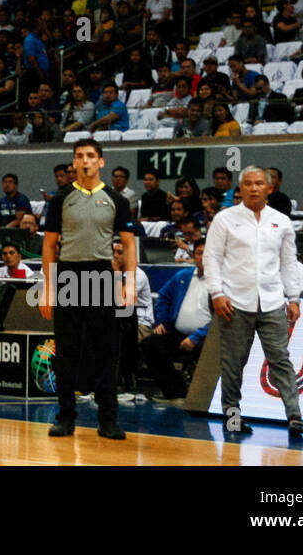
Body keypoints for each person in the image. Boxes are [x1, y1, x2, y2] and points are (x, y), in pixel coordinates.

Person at [41, 138, 136, 440]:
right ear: (74, 162)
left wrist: (129, 283)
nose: (85, 161)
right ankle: (65, 417)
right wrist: (47, 287)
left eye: (91, 156)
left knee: (105, 350)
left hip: (100, 273)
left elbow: (129, 243)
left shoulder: (116, 200)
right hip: (68, 273)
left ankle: (107, 419)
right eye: (80, 156)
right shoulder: (61, 199)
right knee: (67, 350)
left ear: (101, 162)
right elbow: (49, 245)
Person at [204, 166, 303, 438]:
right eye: (248, 183)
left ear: (269, 188)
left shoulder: (282, 221)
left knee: (280, 359)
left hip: (272, 300)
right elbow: (211, 258)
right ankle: (232, 416)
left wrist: (293, 298)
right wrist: (217, 293)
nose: (253, 188)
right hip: (234, 301)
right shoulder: (225, 219)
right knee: (233, 363)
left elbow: (288, 262)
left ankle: (294, 416)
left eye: (259, 183)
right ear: (241, 189)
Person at [143, 238, 211, 403]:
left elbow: (220, 319)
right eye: (200, 253)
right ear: (194, 256)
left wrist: (196, 337)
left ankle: (202, 398)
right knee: (150, 344)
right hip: (178, 332)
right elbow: (163, 296)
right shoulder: (183, 275)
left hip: (206, 338)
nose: (204, 257)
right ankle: (176, 392)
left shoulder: (222, 281)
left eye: (208, 253)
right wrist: (161, 322)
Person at [113, 238, 152, 396]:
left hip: (141, 324)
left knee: (118, 336)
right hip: (117, 319)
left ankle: (125, 380)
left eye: (120, 253)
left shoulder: (138, 274)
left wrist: (115, 274)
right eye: (113, 252)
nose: (115, 256)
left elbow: (122, 300)